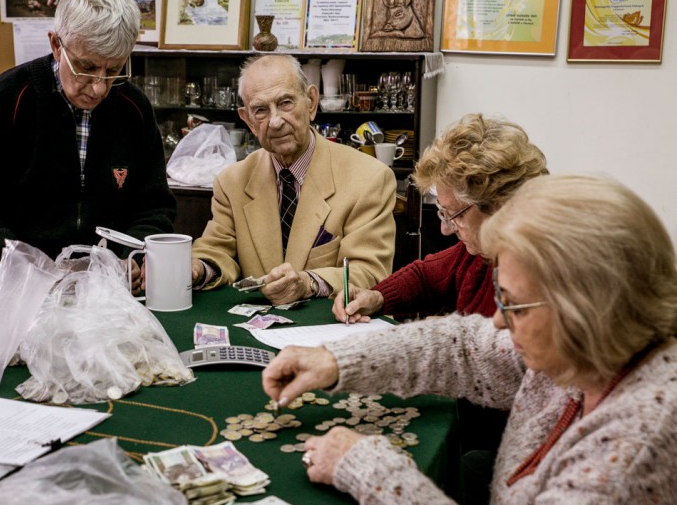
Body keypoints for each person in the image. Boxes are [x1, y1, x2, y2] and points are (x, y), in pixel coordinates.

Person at [262, 174, 677, 504]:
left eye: (512, 304)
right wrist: (336, 360)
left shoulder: (628, 455)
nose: (497, 320)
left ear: (583, 311)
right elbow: (463, 347)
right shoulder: (594, 347)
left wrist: (368, 469)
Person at [0, 0, 175, 291]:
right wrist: (36, 271)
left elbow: (154, 206)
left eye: (115, 70)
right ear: (56, 45)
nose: (99, 88)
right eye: (86, 68)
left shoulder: (134, 108)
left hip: (104, 292)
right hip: (8, 290)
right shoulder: (6, 100)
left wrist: (131, 256)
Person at [191, 54, 396, 305]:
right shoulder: (231, 181)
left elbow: (369, 272)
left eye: (285, 103)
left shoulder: (369, 178)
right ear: (247, 120)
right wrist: (199, 268)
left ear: (311, 102)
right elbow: (216, 250)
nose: (275, 121)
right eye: (261, 110)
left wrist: (308, 282)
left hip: (328, 329)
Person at [332, 113, 548, 323]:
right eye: (442, 213)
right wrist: (378, 297)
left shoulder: (539, 272)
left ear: (497, 206)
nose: (446, 229)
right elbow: (425, 277)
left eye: (454, 215)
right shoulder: (479, 253)